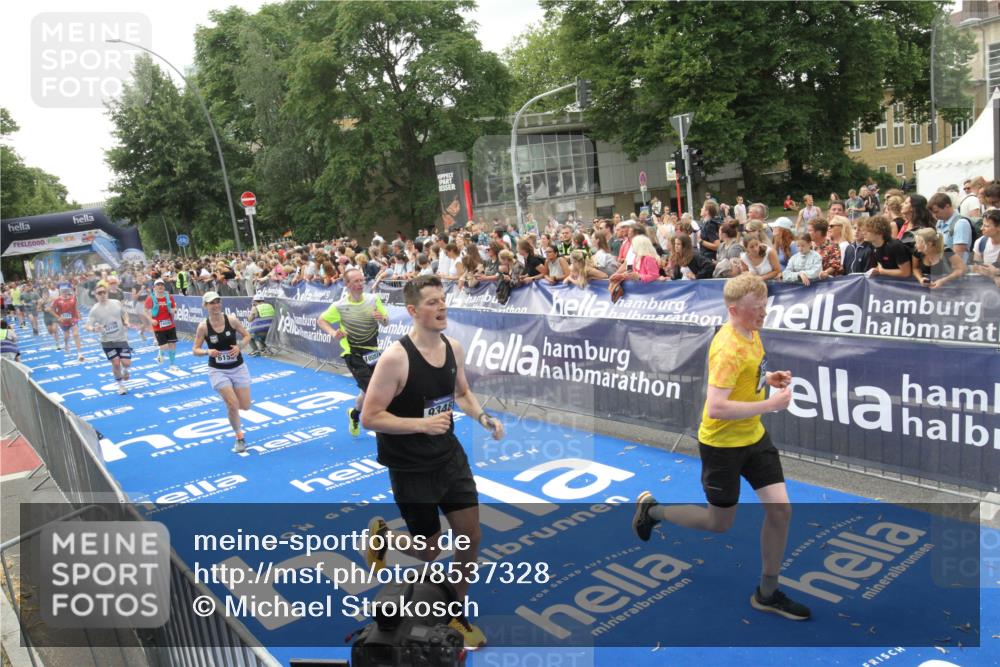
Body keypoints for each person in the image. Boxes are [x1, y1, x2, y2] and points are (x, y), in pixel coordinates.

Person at [631, 272, 810, 622]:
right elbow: (716, 408)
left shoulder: (751, 332)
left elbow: (749, 374)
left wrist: (767, 380)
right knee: (719, 523)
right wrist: (770, 404)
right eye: (756, 308)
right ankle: (653, 512)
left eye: (765, 305)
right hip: (722, 446)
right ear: (733, 309)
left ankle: (768, 593)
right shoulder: (727, 349)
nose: (764, 312)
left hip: (754, 438)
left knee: (780, 510)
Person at [360, 275, 503, 650]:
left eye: (443, 300)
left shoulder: (453, 347)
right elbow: (370, 417)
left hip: (449, 457)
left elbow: (463, 393)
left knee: (470, 537)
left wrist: (484, 418)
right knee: (429, 550)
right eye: (432, 302)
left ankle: (455, 611)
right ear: (412, 310)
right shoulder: (396, 358)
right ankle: (386, 538)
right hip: (410, 467)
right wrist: (421, 424)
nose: (442, 307)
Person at [316, 268, 389, 437]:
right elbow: (321, 320)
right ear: (347, 284)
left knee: (366, 391)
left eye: (362, 280)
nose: (360, 284)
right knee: (373, 390)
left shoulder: (373, 299)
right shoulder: (340, 306)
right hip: (353, 353)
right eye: (355, 281)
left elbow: (386, 321)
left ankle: (354, 414)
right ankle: (382, 428)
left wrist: (382, 319)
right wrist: (334, 333)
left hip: (373, 352)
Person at [192, 291, 253, 454]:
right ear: (205, 306)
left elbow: (247, 335)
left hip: (238, 367)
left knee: (245, 406)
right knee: (232, 404)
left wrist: (240, 346)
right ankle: (239, 437)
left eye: (218, 301)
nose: (216, 305)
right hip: (218, 370)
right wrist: (207, 352)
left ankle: (233, 411)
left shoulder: (231, 320)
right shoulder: (203, 326)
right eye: (212, 303)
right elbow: (195, 350)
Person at [85, 283, 132, 395]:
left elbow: (125, 314)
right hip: (107, 341)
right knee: (115, 363)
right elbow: (87, 325)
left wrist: (126, 321)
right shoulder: (94, 309)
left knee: (126, 363)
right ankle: (120, 386)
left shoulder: (116, 303)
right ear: (95, 295)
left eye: (104, 292)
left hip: (121, 338)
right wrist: (94, 329)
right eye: (99, 293)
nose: (102, 295)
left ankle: (125, 370)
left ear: (107, 292)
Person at [865, 214, 913, 279]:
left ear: (879, 233)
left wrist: (882, 271)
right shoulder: (872, 245)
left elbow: (906, 272)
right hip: (889, 282)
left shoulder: (895, 246)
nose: (864, 233)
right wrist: (877, 269)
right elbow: (880, 262)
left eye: (868, 231)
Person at [145, 278, 178, 365]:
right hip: (158, 327)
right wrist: (151, 320)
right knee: (165, 347)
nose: (160, 286)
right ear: (154, 287)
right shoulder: (150, 298)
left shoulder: (169, 297)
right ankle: (160, 352)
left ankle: (172, 364)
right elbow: (145, 311)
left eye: (162, 285)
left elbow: (173, 308)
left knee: (173, 345)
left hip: (170, 325)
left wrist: (174, 310)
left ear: (164, 287)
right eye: (158, 285)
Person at [48, 285, 84, 362]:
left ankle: (79, 353)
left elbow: (75, 308)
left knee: (75, 334)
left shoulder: (73, 298)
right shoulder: (57, 300)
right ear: (60, 292)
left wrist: (78, 314)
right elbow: (50, 310)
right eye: (63, 291)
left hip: (73, 319)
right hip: (63, 321)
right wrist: (58, 317)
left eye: (66, 291)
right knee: (66, 336)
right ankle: (66, 345)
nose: (65, 292)